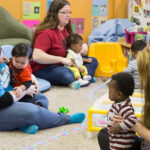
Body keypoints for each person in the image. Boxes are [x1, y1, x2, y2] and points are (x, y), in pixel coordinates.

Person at [0, 46, 85, 134]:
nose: (3, 61)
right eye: (0, 60)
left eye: (2, 58)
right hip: (5, 101)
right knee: (33, 112)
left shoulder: (5, 62)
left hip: (13, 93)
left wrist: (31, 77)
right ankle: (64, 119)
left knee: (40, 98)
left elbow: (16, 69)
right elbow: (3, 101)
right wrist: (25, 90)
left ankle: (29, 121)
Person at [31, 0, 98, 89]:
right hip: (45, 68)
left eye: (69, 12)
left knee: (93, 61)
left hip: (67, 64)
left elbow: (73, 48)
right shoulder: (45, 32)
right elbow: (37, 56)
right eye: (64, 12)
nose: (68, 15)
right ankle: (83, 78)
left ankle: (79, 79)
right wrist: (62, 59)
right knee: (66, 74)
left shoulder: (67, 29)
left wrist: (82, 47)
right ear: (54, 13)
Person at [107, 72, 137, 150]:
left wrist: (120, 126)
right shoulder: (118, 102)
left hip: (122, 142)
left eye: (110, 91)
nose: (108, 93)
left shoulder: (124, 107)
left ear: (119, 94)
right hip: (116, 138)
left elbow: (133, 119)